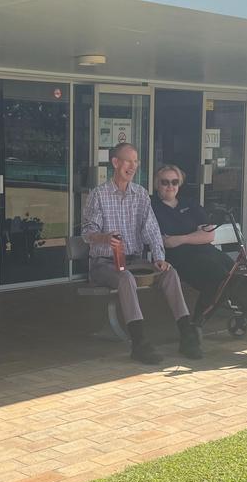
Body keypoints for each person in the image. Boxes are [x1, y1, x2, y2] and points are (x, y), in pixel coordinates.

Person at [81, 144, 202, 364]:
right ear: (115, 163)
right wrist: (105, 237)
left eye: (136, 161)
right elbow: (87, 233)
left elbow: (152, 230)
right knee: (125, 278)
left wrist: (159, 258)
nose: (133, 166)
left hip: (135, 260)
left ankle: (186, 334)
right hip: (103, 264)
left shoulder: (140, 194)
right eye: (128, 161)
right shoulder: (98, 195)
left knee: (169, 273)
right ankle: (139, 343)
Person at [151, 164, 234, 323]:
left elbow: (209, 235)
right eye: (165, 182)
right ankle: (198, 322)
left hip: (207, 252)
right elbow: (164, 242)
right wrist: (194, 235)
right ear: (157, 184)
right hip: (180, 259)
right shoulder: (152, 207)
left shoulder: (190, 203)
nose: (170, 186)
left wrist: (180, 239)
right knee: (218, 277)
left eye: (174, 182)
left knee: (234, 273)